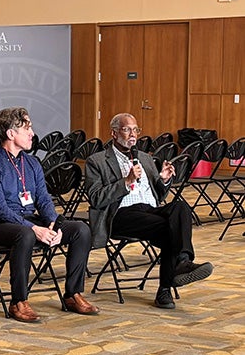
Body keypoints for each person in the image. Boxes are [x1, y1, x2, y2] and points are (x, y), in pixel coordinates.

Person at [0, 107, 100, 322]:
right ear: (11, 134)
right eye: (27, 128)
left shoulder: (32, 163)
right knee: (25, 235)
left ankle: (73, 294)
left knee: (81, 229)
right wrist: (34, 228)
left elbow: (43, 199)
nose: (33, 133)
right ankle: (18, 301)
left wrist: (53, 224)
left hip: (28, 222)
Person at [85, 113, 213, 309]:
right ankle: (167, 286)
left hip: (149, 210)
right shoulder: (97, 161)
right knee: (171, 228)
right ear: (114, 133)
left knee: (180, 208)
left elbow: (159, 196)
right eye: (127, 129)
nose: (132, 134)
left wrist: (163, 180)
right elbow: (95, 198)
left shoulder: (145, 158)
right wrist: (125, 182)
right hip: (121, 214)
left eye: (135, 129)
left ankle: (182, 262)